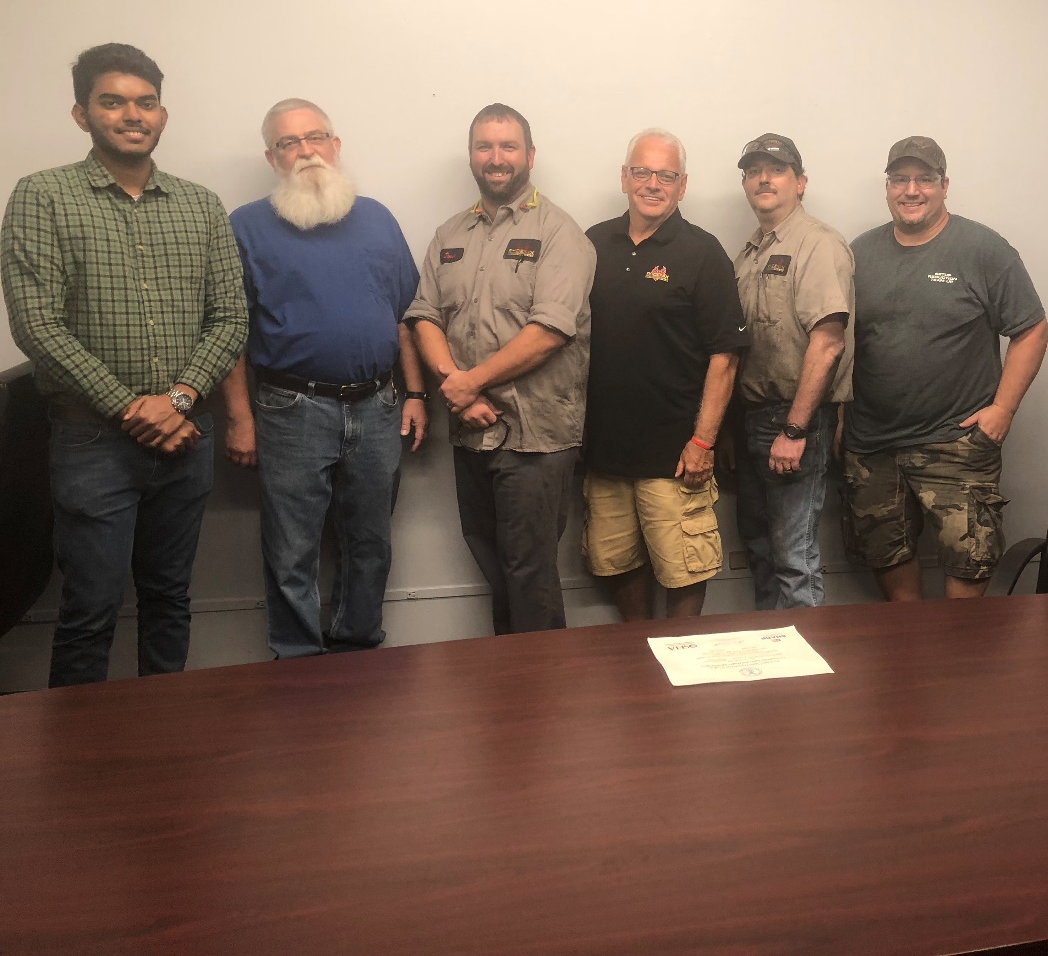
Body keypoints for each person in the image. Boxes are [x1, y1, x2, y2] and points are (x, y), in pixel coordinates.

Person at [0, 43, 247, 686]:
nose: (132, 115)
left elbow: (231, 318)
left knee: (169, 599)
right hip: (91, 442)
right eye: (112, 102)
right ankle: (78, 770)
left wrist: (181, 398)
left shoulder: (201, 205)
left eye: (146, 102)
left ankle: (163, 754)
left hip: (186, 437)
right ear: (82, 114)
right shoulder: (43, 197)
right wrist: (135, 408)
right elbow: (37, 325)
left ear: (162, 114)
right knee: (90, 610)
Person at [218, 98, 426, 659]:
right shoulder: (244, 226)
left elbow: (405, 315)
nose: (306, 150)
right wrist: (240, 419)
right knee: (291, 551)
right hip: (291, 409)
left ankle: (359, 651)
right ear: (271, 156)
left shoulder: (378, 217)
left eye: (316, 137)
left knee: (371, 544)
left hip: (379, 406)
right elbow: (229, 332)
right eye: (290, 142)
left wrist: (416, 395)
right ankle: (298, 663)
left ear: (336, 145)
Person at [405, 103, 594, 635]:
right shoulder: (450, 233)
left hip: (536, 438)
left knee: (528, 574)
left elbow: (550, 332)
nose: (496, 158)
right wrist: (454, 385)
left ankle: (540, 702)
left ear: (530, 155)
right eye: (484, 147)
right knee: (492, 562)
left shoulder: (560, 233)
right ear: (471, 156)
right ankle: (511, 698)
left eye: (508, 146)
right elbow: (423, 316)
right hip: (471, 431)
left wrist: (470, 382)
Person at [843, 136, 1048, 602]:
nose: (911, 190)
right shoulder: (860, 254)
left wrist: (1003, 410)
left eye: (924, 179)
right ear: (888, 186)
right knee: (888, 563)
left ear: (945, 186)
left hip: (955, 444)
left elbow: (1032, 329)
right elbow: (843, 342)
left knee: (968, 570)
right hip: (872, 446)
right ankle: (910, 665)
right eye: (900, 180)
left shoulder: (983, 249)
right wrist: (839, 419)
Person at [584, 129, 748, 620]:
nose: (652, 183)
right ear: (624, 177)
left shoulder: (702, 253)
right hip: (605, 454)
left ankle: (680, 675)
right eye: (642, 171)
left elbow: (726, 356)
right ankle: (639, 665)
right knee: (617, 564)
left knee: (684, 572)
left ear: (682, 185)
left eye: (666, 175)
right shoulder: (592, 244)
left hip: (675, 456)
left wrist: (703, 443)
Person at [727, 133, 853, 610]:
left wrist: (796, 429)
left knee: (793, 558)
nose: (764, 178)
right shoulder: (749, 253)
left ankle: (807, 678)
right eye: (754, 170)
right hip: (752, 419)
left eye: (776, 170)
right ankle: (773, 663)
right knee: (760, 552)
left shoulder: (818, 244)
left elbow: (828, 343)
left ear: (800, 182)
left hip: (796, 420)